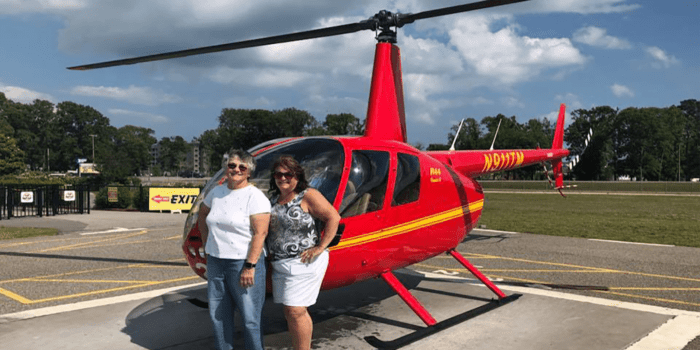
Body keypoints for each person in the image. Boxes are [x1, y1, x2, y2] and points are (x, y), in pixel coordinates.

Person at [197, 149, 270, 350]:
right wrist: (206, 245)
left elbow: (260, 234)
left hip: (242, 262)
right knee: (218, 316)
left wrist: (250, 265)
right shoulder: (216, 192)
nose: (236, 169)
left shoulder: (255, 197)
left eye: (241, 167)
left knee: (250, 318)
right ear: (226, 168)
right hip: (216, 262)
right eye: (232, 165)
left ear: (249, 172)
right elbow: (202, 216)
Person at [267, 156, 341, 350]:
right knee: (290, 312)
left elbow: (333, 217)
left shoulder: (308, 195)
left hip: (304, 262)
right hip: (280, 264)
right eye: (278, 174)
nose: (283, 178)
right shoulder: (273, 199)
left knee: (296, 311)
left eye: (288, 174)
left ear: (297, 176)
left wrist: (321, 246)